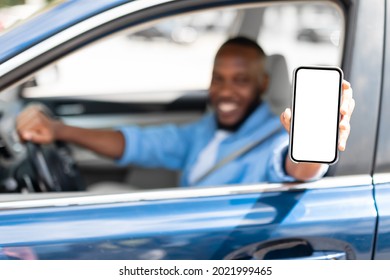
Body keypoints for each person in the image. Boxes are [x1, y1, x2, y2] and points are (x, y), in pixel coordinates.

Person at [16, 37, 355, 187]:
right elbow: (137, 143)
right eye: (217, 79)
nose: (224, 91)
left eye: (240, 81)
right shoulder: (205, 129)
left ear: (263, 83)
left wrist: (313, 150)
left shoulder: (274, 136)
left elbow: (296, 169)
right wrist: (61, 131)